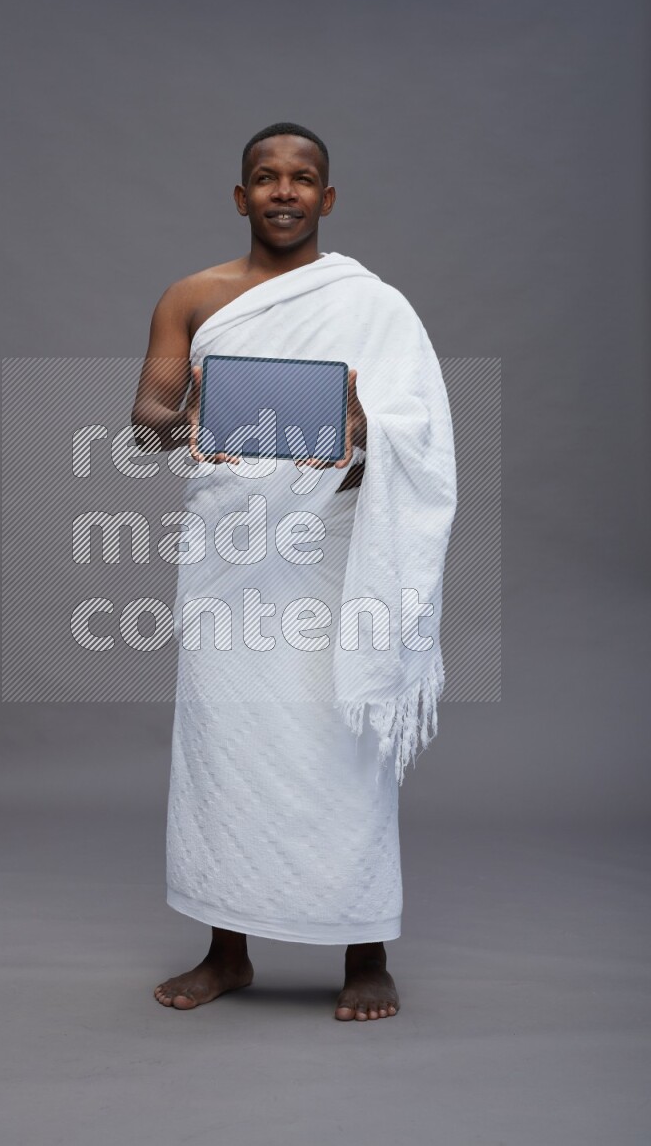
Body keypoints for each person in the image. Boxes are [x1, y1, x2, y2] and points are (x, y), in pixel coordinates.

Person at [131, 122, 455, 1022]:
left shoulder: (373, 304)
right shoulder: (192, 297)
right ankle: (225, 949)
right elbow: (148, 410)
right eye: (265, 178)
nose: (283, 191)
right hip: (230, 548)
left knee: (340, 739)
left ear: (327, 197)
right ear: (240, 197)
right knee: (225, 742)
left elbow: (417, 425)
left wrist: (364, 425)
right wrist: (186, 416)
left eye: (302, 178)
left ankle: (366, 947)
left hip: (335, 549)